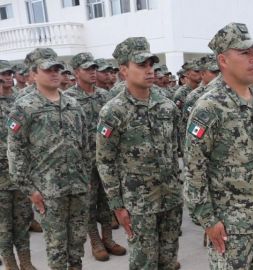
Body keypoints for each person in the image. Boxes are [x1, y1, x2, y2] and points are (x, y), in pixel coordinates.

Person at [184, 22, 253, 269]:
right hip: (231, 228)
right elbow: (194, 170)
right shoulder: (209, 107)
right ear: (223, 60)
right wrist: (208, 220)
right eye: (244, 53)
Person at [96, 37, 182, 270]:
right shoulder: (113, 111)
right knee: (144, 263)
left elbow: (176, 151)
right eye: (141, 65)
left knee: (169, 260)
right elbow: (105, 161)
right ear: (124, 70)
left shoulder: (167, 106)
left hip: (171, 198)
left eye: (150, 64)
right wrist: (117, 205)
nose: (149, 70)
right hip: (139, 204)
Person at [7, 48, 89, 270]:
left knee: (77, 246)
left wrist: (86, 180)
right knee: (56, 249)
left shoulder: (73, 105)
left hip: (77, 188)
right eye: (47, 69)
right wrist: (30, 189)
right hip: (48, 192)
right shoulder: (24, 107)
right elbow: (15, 152)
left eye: (57, 69)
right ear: (33, 74)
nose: (55, 74)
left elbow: (85, 147)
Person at [65, 52, 127, 262]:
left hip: (106, 159)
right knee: (89, 203)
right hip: (84, 162)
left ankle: (108, 238)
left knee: (108, 200)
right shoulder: (69, 99)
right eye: (87, 69)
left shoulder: (104, 96)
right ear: (76, 72)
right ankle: (95, 241)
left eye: (94, 69)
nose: (92, 73)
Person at [0, 69, 37, 270]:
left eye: (9, 73)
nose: (7, 77)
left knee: (22, 222)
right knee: (4, 227)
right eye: (2, 73)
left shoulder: (19, 101)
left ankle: (25, 261)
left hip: (20, 174)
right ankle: (10, 263)